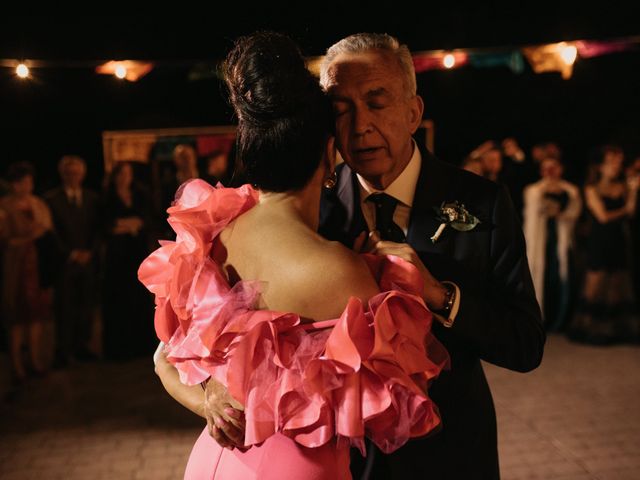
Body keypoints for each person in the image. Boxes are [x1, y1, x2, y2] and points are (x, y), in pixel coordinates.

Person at [158, 32, 545, 479]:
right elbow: (184, 347)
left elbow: (525, 344)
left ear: (413, 111)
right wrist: (212, 393)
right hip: (339, 464)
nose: (360, 126)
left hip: (449, 454)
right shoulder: (303, 210)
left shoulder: (480, 202)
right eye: (342, 110)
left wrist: (440, 296)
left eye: (377, 103)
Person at [568, 146, 639, 344]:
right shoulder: (591, 188)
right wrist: (626, 208)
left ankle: (615, 330)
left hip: (618, 238)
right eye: (611, 162)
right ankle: (587, 327)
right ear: (600, 166)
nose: (616, 166)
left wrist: (633, 191)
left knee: (617, 281)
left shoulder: (623, 187)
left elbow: (631, 212)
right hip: (600, 239)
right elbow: (603, 217)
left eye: (618, 162)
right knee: (595, 281)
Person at [44, 155, 101, 366]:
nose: (73, 177)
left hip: (87, 261)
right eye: (69, 173)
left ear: (83, 174)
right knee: (65, 306)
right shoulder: (51, 200)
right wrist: (71, 253)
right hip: (64, 262)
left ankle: (82, 347)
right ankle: (63, 350)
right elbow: (52, 233)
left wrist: (89, 252)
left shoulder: (92, 199)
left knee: (86, 305)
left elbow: (97, 230)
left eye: (77, 173)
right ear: (62, 174)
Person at [0, 162, 54, 383]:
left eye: (29, 181)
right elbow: (5, 239)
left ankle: (34, 359)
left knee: (36, 314)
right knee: (17, 316)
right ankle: (17, 365)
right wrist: (26, 238)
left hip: (36, 264)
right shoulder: (5, 206)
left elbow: (46, 227)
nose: (27, 185)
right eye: (22, 182)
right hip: (15, 266)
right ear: (14, 185)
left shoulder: (37, 203)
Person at [101, 162, 154, 361]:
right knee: (119, 298)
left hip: (137, 252)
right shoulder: (107, 196)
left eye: (128, 173)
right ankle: (119, 348)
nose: (125, 177)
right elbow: (106, 225)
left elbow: (148, 219)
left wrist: (131, 224)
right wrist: (127, 225)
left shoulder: (140, 193)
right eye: (121, 173)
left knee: (138, 296)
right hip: (117, 256)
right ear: (114, 176)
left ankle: (141, 345)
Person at [523, 156, 582, 331]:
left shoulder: (570, 190)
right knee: (540, 274)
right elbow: (534, 210)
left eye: (554, 167)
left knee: (560, 275)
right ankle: (539, 317)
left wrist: (559, 213)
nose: (550, 171)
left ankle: (560, 319)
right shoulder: (533, 190)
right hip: (540, 240)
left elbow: (573, 212)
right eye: (546, 167)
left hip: (560, 239)